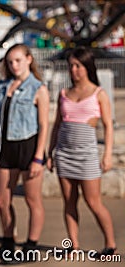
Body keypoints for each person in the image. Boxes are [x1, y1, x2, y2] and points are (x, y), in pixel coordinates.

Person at [47, 46, 117, 257]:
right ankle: (73, 245)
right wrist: (50, 152)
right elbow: (57, 125)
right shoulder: (63, 94)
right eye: (71, 66)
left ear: (87, 66)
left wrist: (107, 155)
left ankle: (110, 244)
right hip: (64, 155)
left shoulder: (99, 93)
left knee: (93, 202)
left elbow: (108, 125)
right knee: (69, 202)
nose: (74, 70)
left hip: (87, 155)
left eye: (78, 66)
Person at [0, 44, 49, 263]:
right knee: (2, 199)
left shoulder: (38, 88)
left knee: (32, 200)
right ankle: (8, 241)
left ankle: (31, 246)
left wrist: (38, 158)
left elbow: (44, 125)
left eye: (18, 60)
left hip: (28, 146)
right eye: (10, 62)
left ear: (28, 59)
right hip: (6, 146)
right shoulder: (3, 85)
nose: (14, 65)